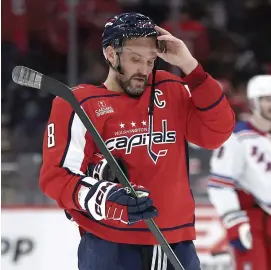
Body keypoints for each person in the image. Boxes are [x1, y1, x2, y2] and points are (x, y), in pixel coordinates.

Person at [40, 12, 235, 270]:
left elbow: (218, 132)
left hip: (176, 242)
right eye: (135, 59)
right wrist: (108, 199)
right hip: (110, 246)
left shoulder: (170, 88)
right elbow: (56, 177)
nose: (144, 70)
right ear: (111, 54)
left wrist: (191, 67)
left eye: (151, 60)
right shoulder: (79, 103)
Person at [208, 75, 271, 270]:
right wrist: (234, 222)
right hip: (253, 223)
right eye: (267, 99)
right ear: (254, 102)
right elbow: (220, 185)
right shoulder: (237, 138)